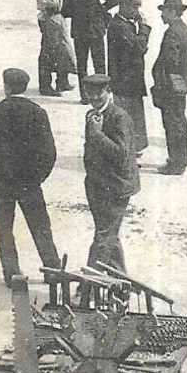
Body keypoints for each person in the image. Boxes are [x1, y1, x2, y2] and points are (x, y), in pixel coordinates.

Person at [0, 68, 60, 286]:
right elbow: (50, 152)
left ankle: (12, 273)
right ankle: (52, 270)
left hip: (2, 179)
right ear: (25, 87)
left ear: (6, 86)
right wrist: (38, 177)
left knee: (5, 229)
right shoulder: (38, 112)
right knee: (40, 226)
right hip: (29, 181)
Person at [82, 73, 140, 272]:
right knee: (109, 235)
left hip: (116, 187)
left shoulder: (119, 117)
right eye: (90, 94)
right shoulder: (91, 115)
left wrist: (98, 134)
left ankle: (88, 283)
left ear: (108, 92)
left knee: (104, 236)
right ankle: (122, 283)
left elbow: (122, 154)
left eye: (99, 94)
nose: (94, 98)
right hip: (97, 185)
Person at [62, 0, 119, 103]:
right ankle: (102, 94)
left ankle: (85, 96)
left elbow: (65, 11)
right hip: (96, 30)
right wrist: (101, 9)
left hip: (79, 32)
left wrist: (77, 12)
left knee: (82, 65)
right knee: (99, 63)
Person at [151, 0, 187, 175]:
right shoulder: (183, 29)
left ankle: (176, 163)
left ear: (173, 12)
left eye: (165, 11)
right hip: (180, 84)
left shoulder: (173, 32)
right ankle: (179, 159)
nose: (162, 14)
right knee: (179, 121)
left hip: (170, 86)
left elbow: (170, 60)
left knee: (173, 123)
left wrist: (161, 78)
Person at [107, 0, 151, 157]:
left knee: (132, 116)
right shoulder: (120, 27)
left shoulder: (125, 25)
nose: (136, 12)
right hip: (125, 81)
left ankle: (132, 148)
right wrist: (144, 28)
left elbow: (139, 47)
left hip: (128, 80)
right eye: (134, 8)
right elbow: (139, 47)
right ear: (124, 6)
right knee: (127, 117)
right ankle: (126, 151)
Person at [36, 0, 76, 97]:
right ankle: (45, 86)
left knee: (62, 50)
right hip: (49, 19)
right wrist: (50, 5)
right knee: (48, 52)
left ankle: (62, 82)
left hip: (57, 19)